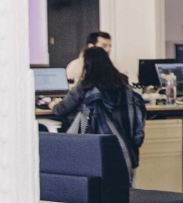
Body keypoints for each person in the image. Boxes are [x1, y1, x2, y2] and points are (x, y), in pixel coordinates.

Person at [50, 45, 148, 183]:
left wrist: (53, 104)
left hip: (95, 151)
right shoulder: (125, 86)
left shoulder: (85, 86)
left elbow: (60, 110)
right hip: (126, 150)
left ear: (87, 65)